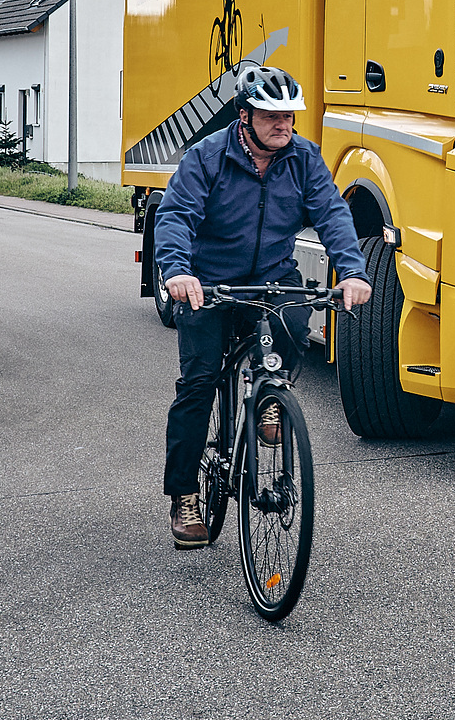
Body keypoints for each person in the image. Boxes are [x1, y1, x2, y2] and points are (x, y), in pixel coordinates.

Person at [154, 63, 373, 548]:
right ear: (244, 115)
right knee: (198, 383)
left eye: (290, 117)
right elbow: (175, 215)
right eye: (272, 116)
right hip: (208, 281)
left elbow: (333, 213)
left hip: (271, 275)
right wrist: (177, 271)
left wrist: (353, 271)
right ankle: (184, 494)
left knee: (295, 322)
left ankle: (268, 399)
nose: (284, 125)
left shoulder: (304, 159)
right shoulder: (206, 158)